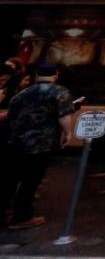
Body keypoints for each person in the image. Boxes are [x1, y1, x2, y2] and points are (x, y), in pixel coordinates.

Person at [0, 63, 75, 230]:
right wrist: (67, 133)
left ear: (36, 75)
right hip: (41, 143)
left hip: (15, 142)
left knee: (9, 180)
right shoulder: (60, 92)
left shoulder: (22, 93)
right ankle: (21, 217)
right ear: (55, 75)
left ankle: (4, 214)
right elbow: (64, 116)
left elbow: (11, 116)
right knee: (31, 181)